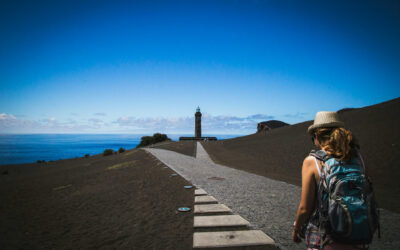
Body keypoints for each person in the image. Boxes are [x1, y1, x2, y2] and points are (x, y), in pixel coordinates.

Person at [292, 111, 369, 250]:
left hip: (325, 235)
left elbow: (305, 208)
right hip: (356, 232)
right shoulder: (358, 158)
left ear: (316, 136)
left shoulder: (313, 161)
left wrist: (297, 228)